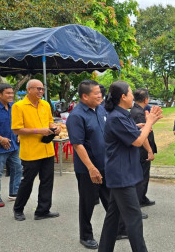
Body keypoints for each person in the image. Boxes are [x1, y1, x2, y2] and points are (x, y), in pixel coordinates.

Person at [99, 81, 162, 252]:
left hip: (122, 173)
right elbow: (138, 141)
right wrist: (149, 122)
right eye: (131, 93)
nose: (133, 96)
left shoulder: (121, 114)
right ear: (123, 97)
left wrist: (139, 126)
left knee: (112, 218)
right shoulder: (117, 117)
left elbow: (130, 132)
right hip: (122, 176)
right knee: (134, 219)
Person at [66, 80, 110, 250]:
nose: (100, 96)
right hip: (88, 169)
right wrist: (91, 168)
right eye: (96, 93)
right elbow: (78, 145)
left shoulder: (100, 109)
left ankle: (118, 228)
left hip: (105, 164)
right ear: (85, 96)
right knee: (88, 203)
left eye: (100, 93)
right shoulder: (76, 116)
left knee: (110, 199)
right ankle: (85, 235)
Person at [11, 79, 61, 221]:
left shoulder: (45, 104)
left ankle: (42, 211)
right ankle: (18, 209)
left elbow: (50, 121)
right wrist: (39, 131)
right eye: (37, 89)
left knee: (47, 181)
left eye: (42, 89)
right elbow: (16, 130)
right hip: (30, 152)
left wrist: (55, 127)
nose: (41, 91)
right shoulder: (18, 106)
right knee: (27, 182)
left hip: (47, 149)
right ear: (29, 90)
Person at [0, 83, 22, 207]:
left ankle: (14, 192)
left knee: (18, 168)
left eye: (12, 93)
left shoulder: (13, 107)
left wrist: (18, 134)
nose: (11, 95)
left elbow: (17, 125)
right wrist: (1, 139)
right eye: (8, 93)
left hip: (13, 146)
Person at [130, 89, 157, 207]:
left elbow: (146, 127)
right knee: (142, 176)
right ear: (146, 99)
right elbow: (142, 135)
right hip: (142, 149)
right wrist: (149, 151)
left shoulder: (135, 110)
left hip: (140, 149)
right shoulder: (138, 113)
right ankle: (138, 202)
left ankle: (142, 197)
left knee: (144, 175)